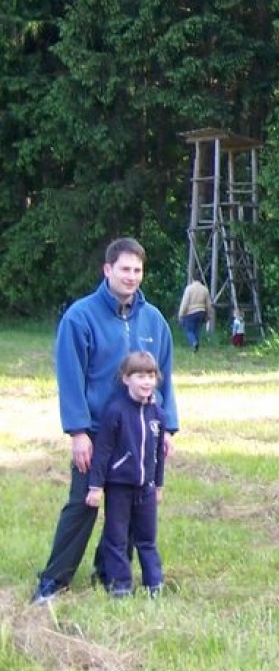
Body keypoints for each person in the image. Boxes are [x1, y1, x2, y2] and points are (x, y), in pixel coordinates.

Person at [32, 236, 178, 604]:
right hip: (97, 432)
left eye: (137, 270)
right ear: (108, 270)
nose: (131, 277)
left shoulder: (154, 320)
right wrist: (78, 431)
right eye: (125, 269)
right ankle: (54, 579)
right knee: (84, 503)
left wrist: (168, 428)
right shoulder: (80, 317)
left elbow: (166, 378)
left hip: (140, 431)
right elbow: (71, 378)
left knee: (130, 506)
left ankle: (109, 572)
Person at [85, 351, 168, 597]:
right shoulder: (116, 412)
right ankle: (120, 586)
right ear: (125, 379)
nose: (146, 382)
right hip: (119, 486)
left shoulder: (158, 415)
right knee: (117, 538)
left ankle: (154, 585)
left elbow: (159, 454)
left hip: (147, 488)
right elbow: (103, 452)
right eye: (140, 375)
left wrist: (159, 485)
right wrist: (96, 486)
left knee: (147, 539)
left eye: (151, 376)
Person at [176, 278, 214, 353]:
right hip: (201, 312)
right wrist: (209, 315)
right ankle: (196, 347)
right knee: (197, 330)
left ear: (193, 279)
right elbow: (208, 304)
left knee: (189, 330)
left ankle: (194, 343)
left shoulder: (189, 289)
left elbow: (185, 302)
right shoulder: (205, 289)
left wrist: (181, 314)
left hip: (191, 312)